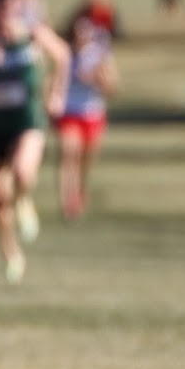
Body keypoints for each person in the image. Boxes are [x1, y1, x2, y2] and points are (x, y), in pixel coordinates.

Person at [0, 0, 69, 283]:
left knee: (22, 172)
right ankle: (10, 253)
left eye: (10, 2)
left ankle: (25, 200)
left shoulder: (33, 34)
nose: (5, 9)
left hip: (28, 119)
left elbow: (63, 57)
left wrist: (57, 94)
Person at [56, 13, 118, 222]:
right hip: (70, 111)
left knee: (86, 159)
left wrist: (98, 77)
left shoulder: (99, 55)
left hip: (92, 112)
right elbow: (54, 81)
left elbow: (113, 89)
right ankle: (67, 200)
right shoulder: (64, 54)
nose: (81, 34)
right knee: (68, 152)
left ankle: (80, 191)